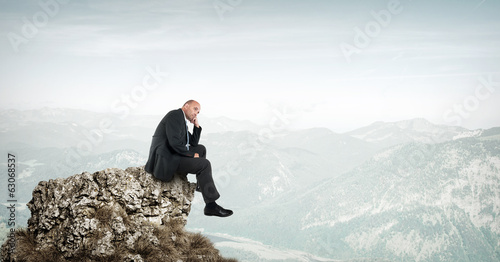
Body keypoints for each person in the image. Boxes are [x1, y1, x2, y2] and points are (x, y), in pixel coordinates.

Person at [145, 100, 233, 217]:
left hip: (172, 155)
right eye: (195, 109)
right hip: (166, 159)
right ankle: (211, 206)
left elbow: (193, 143)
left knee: (201, 149)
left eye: (198, 112)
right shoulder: (175, 115)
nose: (196, 113)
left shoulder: (181, 120)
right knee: (204, 164)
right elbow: (174, 143)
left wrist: (196, 126)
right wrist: (191, 155)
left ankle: (201, 185)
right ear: (186, 106)